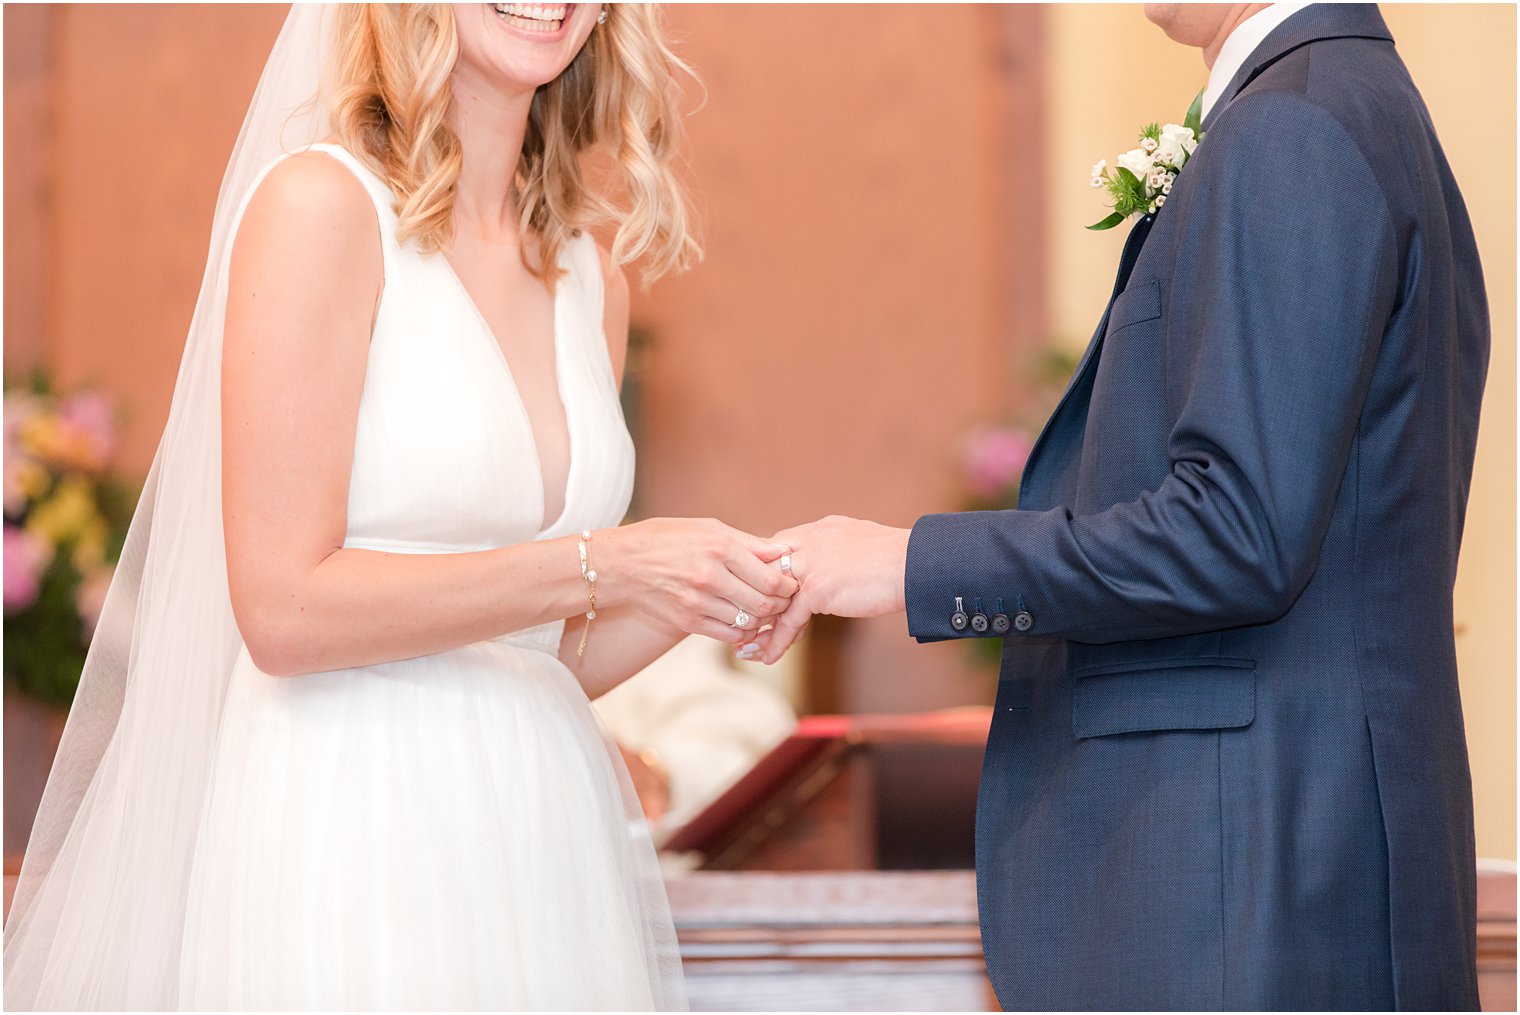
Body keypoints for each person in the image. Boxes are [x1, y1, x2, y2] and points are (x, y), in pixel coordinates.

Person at [3, 5, 798, 1010]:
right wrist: (609, 560)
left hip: (537, 823)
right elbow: (282, 610)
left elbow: (535, 650)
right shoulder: (318, 209)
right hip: (353, 814)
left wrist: (713, 591)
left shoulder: (589, 273)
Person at [752, 4, 1488, 1009]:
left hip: (1249, 876)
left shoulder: (1293, 127)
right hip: (1285, 857)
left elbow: (1235, 532)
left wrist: (910, 565)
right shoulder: (1342, 103)